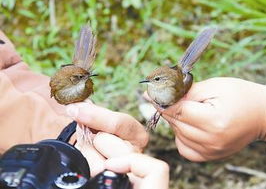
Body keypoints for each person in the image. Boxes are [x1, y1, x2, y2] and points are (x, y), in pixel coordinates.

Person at [0, 30, 169, 189]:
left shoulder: (83, 87)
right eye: (81, 77)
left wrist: (68, 142)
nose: (88, 79)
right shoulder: (59, 86)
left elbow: (10, 77)